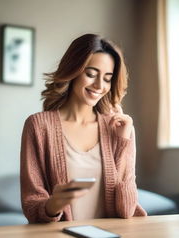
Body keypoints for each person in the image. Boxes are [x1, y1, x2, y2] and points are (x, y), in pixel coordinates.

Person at [20, 34, 147, 223]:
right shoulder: (38, 126)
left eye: (107, 78)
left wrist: (122, 144)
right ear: (73, 71)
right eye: (91, 74)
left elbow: (126, 210)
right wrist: (53, 204)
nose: (99, 85)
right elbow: (31, 204)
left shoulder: (121, 128)